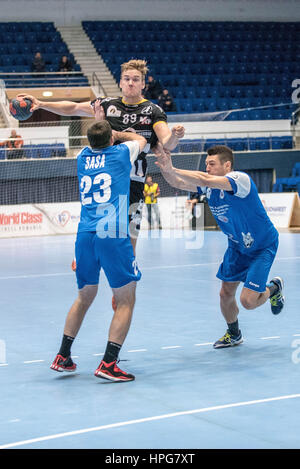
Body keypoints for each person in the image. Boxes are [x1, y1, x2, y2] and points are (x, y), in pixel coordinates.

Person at [17, 59, 185, 257]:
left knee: (129, 241)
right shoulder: (107, 105)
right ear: (120, 82)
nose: (131, 83)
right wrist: (41, 104)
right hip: (106, 181)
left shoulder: (153, 111)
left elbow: (167, 143)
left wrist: (175, 135)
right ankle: (86, 258)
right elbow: (72, 108)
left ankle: (125, 270)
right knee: (99, 231)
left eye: (136, 79)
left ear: (143, 84)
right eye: (127, 78)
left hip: (133, 184)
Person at [155, 144, 285, 348]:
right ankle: (234, 333)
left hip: (262, 245)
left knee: (248, 301)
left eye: (211, 164)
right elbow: (177, 182)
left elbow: (204, 178)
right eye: (206, 164)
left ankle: (274, 288)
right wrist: (165, 167)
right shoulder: (209, 187)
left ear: (227, 165)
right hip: (236, 247)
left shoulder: (239, 180)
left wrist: (174, 168)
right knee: (225, 293)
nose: (207, 168)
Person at [50, 120, 147, 381]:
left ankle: (63, 355)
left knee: (84, 298)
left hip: (84, 234)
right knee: (127, 300)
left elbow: (95, 143)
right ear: (112, 140)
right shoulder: (121, 152)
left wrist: (105, 130)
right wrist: (119, 133)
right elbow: (141, 140)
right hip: (112, 231)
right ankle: (109, 363)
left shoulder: (81, 157)